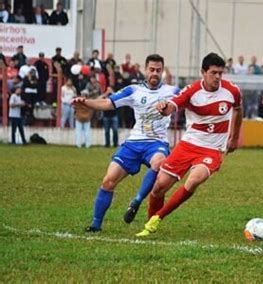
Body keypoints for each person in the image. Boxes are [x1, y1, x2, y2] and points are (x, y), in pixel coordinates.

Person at [136, 52, 243, 237]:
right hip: (189, 144)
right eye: (213, 73)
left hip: (212, 149)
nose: (217, 77)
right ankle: (150, 222)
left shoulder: (232, 91)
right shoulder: (192, 91)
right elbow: (172, 105)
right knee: (159, 187)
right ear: (203, 72)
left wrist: (234, 137)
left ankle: (157, 218)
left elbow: (239, 109)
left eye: (220, 73)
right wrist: (163, 108)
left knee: (194, 180)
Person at [71, 54, 180, 232]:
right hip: (133, 143)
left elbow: (190, 99)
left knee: (159, 162)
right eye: (151, 69)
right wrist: (86, 102)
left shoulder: (173, 91)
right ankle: (95, 225)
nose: (154, 73)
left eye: (158, 70)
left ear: (162, 72)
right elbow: (108, 103)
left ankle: (136, 201)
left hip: (156, 143)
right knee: (108, 181)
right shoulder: (133, 90)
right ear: (145, 70)